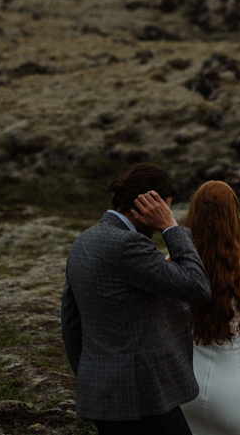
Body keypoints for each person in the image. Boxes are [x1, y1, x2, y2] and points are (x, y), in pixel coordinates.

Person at [61, 163, 212, 435]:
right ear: (148, 205)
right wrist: (171, 228)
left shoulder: (83, 241)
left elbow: (71, 323)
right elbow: (197, 286)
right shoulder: (128, 246)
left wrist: (89, 377)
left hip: (102, 395)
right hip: (141, 398)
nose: (167, 215)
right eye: (165, 209)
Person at [143, 180, 240, 435]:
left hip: (184, 390)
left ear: (193, 214)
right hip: (239, 395)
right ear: (234, 219)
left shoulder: (172, 262)